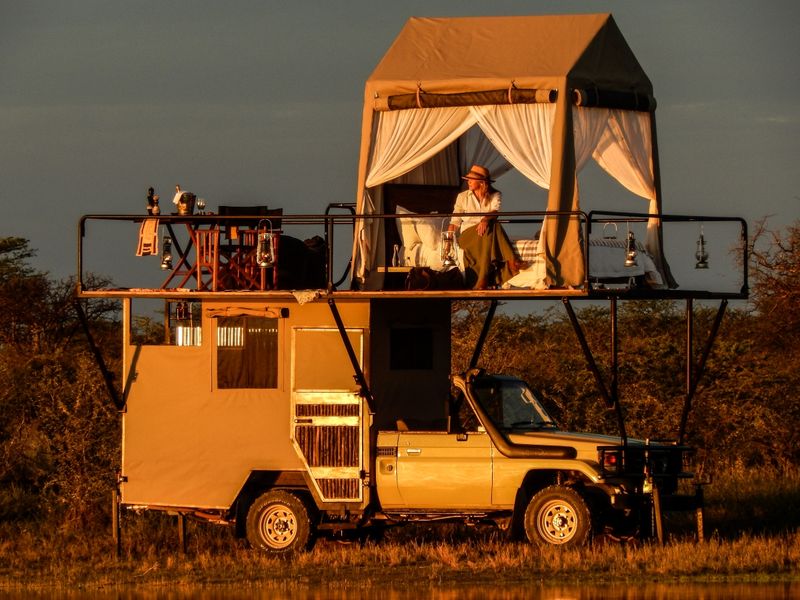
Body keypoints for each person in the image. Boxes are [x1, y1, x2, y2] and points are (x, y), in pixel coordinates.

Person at [448, 164, 523, 289]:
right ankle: (511, 260)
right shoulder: (462, 197)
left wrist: (485, 219)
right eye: (468, 179)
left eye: (472, 179)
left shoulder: (495, 194)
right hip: (468, 236)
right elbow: (455, 221)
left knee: (491, 223)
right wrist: (448, 239)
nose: (469, 182)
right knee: (492, 224)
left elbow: (495, 211)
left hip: (485, 232)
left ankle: (482, 278)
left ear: (481, 182)